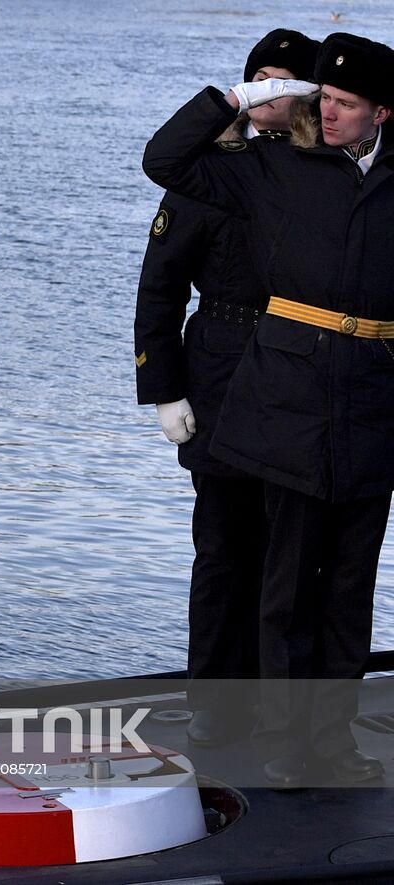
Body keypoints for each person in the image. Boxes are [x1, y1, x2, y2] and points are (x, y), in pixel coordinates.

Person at [143, 33, 394, 787]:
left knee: (349, 585)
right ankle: (283, 739)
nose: (333, 112)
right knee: (281, 579)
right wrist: (238, 97)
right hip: (284, 398)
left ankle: (334, 741)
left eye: (349, 103)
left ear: (383, 111)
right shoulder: (277, 166)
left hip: (372, 404)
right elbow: (167, 161)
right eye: (328, 99)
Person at [133, 28, 318, 748]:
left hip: (297, 373)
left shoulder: (319, 172)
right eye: (260, 80)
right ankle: (212, 702)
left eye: (285, 81)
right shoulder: (214, 172)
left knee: (289, 552)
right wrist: (163, 388)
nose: (272, 93)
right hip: (216, 374)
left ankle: (279, 706)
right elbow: (160, 287)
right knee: (220, 547)